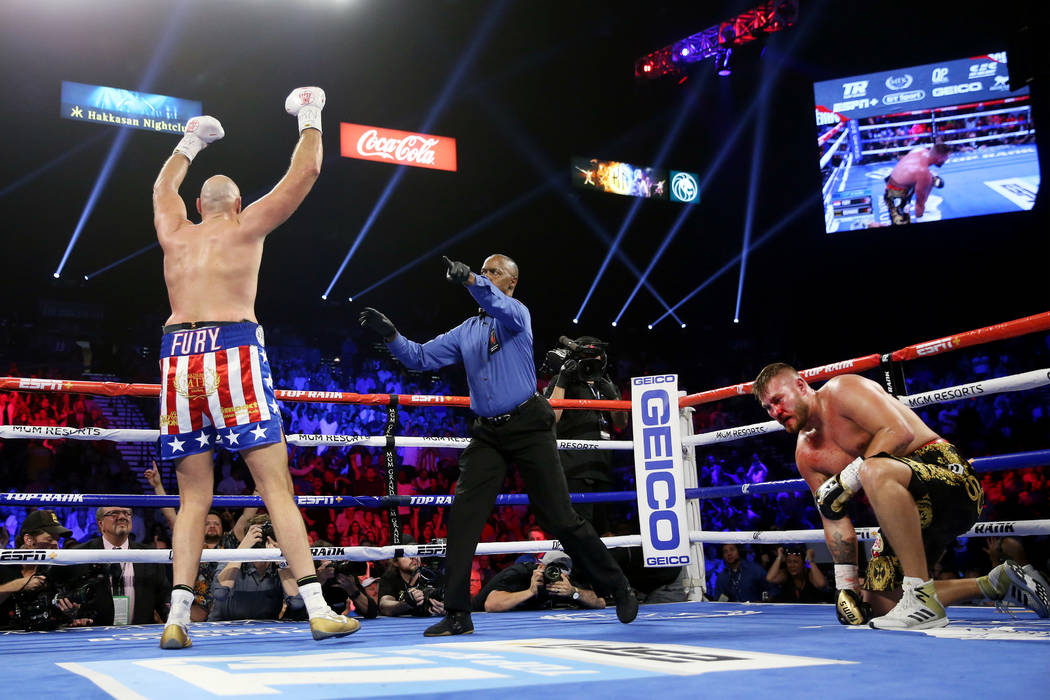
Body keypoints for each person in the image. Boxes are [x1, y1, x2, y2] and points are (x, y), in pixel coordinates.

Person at [152, 86, 358, 648]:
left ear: (199, 207)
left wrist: (190, 142)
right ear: (237, 206)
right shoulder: (246, 228)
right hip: (234, 348)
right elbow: (306, 171)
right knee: (275, 488)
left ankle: (176, 619)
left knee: (194, 497)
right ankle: (316, 607)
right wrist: (311, 112)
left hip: (176, 358)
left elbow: (161, 186)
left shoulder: (174, 235)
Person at [359, 254, 637, 636]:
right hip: (488, 432)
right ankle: (458, 613)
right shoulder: (466, 330)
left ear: (511, 283)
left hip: (529, 425)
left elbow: (494, 301)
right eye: (484, 270)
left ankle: (618, 585)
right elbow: (421, 357)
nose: (488, 276)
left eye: (495, 272)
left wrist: (472, 278)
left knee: (560, 516)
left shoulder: (516, 314)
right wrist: (391, 335)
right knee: (463, 518)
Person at [752, 363, 1049, 629]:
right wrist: (846, 587)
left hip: (949, 479)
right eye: (767, 408)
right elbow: (834, 518)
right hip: (906, 510)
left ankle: (922, 597)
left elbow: (899, 431)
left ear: (801, 385)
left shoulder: (842, 391)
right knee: (879, 602)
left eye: (778, 400)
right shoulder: (807, 456)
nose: (775, 412)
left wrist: (848, 478)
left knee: (872, 470)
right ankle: (999, 583)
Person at [543, 335, 628, 534]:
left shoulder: (606, 384)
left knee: (603, 531)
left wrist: (614, 397)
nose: (592, 363)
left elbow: (621, 424)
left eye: (596, 358)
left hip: (603, 468)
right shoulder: (563, 381)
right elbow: (551, 418)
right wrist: (562, 380)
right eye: (586, 358)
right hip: (575, 469)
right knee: (580, 530)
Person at [66, 507, 171, 626]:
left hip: (140, 636)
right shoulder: (80, 554)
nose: (122, 517)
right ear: (101, 524)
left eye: (127, 513)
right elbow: (66, 597)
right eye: (114, 513)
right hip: (94, 635)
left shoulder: (149, 555)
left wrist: (175, 621)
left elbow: (163, 598)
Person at [0, 510, 91, 629]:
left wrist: (69, 614)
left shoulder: (54, 569)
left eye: (57, 540)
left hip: (44, 640)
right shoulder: (4, 564)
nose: (56, 546)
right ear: (28, 540)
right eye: (49, 540)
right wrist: (20, 584)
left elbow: (55, 615)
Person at [208, 518, 304, 621]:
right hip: (224, 626)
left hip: (265, 629)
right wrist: (242, 549)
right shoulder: (232, 558)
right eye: (257, 533)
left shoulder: (282, 565)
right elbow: (220, 593)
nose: (262, 537)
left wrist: (279, 560)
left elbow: (297, 603)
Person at [472, 551, 605, 612]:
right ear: (541, 566)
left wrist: (574, 592)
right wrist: (530, 591)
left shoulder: (563, 583)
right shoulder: (521, 573)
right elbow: (490, 604)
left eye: (559, 574)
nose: (553, 576)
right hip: (478, 617)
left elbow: (600, 602)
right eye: (551, 570)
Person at [883, 140, 949, 224]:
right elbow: (919, 204)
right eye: (945, 158)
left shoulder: (920, 150)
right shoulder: (924, 174)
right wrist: (920, 218)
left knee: (933, 180)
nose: (946, 160)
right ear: (939, 158)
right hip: (895, 194)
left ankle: (927, 180)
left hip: (895, 180)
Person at [377, 541, 445, 618]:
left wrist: (446, 608)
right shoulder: (390, 578)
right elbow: (384, 605)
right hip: (401, 626)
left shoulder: (433, 575)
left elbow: (453, 599)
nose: (413, 557)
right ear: (395, 562)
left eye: (416, 552)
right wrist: (406, 603)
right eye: (407, 554)